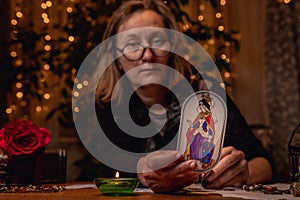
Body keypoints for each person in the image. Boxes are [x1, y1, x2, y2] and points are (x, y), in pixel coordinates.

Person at [94, 0, 273, 193]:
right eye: (132, 44)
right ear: (117, 59)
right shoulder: (107, 104)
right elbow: (114, 166)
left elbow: (264, 164)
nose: (147, 55)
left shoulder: (206, 95)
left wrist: (244, 172)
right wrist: (142, 170)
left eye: (157, 41)